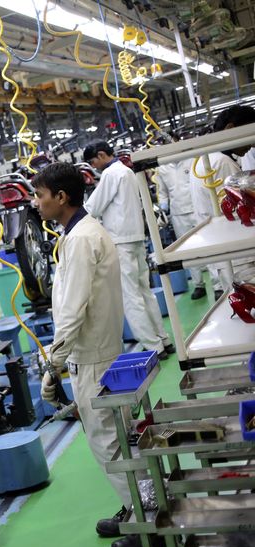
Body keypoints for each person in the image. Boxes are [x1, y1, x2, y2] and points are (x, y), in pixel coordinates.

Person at [34, 163, 164, 547]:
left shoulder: (79, 241)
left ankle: (150, 527)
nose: (36, 203)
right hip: (101, 351)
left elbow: (73, 310)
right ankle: (136, 508)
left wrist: (53, 362)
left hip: (91, 357)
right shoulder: (86, 232)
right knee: (120, 439)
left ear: (61, 197)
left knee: (109, 445)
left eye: (40, 195)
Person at [83, 141, 174, 359]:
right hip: (135, 237)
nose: (93, 166)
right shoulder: (127, 171)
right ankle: (163, 339)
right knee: (144, 290)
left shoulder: (111, 174)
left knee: (130, 296)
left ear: (102, 155)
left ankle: (153, 347)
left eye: (92, 161)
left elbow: (93, 207)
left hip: (120, 241)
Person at [190, 105, 255, 296]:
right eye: (249, 134)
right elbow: (241, 211)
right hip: (241, 257)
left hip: (225, 254)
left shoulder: (208, 159)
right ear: (230, 129)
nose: (251, 144)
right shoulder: (222, 163)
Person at [155, 156, 209, 299]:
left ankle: (218, 285)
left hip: (197, 208)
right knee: (187, 250)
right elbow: (162, 192)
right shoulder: (162, 168)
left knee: (208, 246)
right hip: (178, 212)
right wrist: (163, 207)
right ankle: (199, 285)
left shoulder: (192, 160)